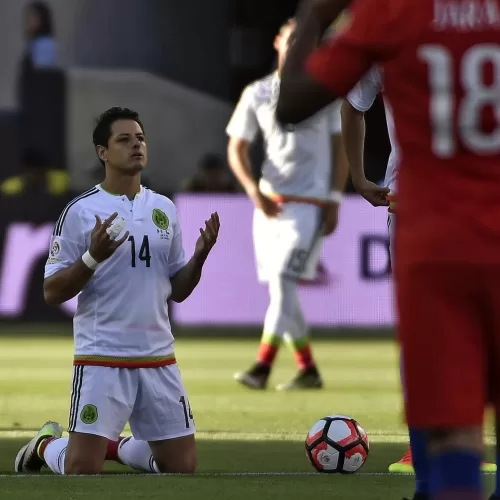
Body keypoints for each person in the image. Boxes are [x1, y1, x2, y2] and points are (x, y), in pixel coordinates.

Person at [276, 0, 500, 499]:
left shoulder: (394, 13)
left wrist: (312, 17)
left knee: (445, 397)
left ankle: (433, 480)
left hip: (429, 228)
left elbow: (295, 102)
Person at [14, 107, 220, 475]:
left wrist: (199, 259)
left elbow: (178, 291)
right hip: (102, 358)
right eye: (123, 140)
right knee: (81, 472)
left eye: (139, 138)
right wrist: (93, 256)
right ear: (102, 152)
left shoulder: (164, 209)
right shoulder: (80, 211)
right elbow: (52, 292)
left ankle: (116, 446)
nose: (136, 145)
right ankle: (46, 444)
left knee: (181, 469)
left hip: (158, 358)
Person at [341, 66, 496, 493]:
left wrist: (357, 175)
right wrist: (356, 174)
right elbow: (353, 104)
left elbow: (343, 100)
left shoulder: (393, 26)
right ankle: (431, 450)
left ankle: (427, 457)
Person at [226, 18, 348, 391]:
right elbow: (237, 147)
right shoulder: (258, 92)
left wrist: (335, 198)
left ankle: (262, 367)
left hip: (308, 206)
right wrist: (252, 190)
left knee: (283, 281)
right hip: (268, 205)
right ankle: (307, 369)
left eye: (303, 40)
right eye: (290, 38)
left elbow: (341, 148)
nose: (296, 45)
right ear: (278, 42)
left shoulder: (324, 91)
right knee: (282, 290)